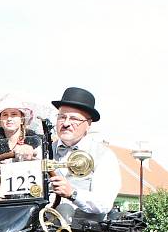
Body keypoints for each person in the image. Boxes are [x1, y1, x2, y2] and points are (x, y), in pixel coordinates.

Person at [48, 87, 121, 219]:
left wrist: (73, 194)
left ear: (88, 124)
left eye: (74, 119)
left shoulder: (104, 156)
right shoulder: (44, 152)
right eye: (62, 117)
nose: (66, 123)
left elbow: (104, 203)